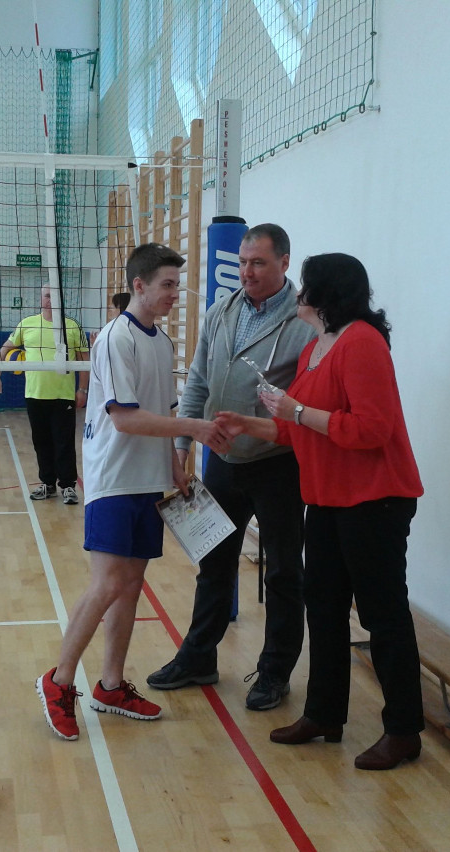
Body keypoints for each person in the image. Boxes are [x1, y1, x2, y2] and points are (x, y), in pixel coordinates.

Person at [215, 252, 425, 770]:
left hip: (375, 501)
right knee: (324, 608)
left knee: (382, 615)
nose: (299, 291)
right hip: (329, 499)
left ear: (327, 293)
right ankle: (324, 714)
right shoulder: (317, 346)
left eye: (306, 283)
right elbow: (294, 427)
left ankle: (404, 731)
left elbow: (371, 429)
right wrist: (247, 424)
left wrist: (298, 411)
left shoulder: (362, 342)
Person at [35, 243, 231, 741]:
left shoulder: (161, 343)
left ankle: (110, 685)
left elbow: (157, 410)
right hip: (114, 480)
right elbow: (124, 419)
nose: (174, 294)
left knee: (130, 585)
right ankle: (59, 681)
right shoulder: (115, 338)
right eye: (167, 285)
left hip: (149, 482)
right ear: (139, 285)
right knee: (106, 584)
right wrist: (195, 428)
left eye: (177, 285)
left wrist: (175, 463)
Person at [147, 223, 315, 711]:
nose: (247, 272)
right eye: (242, 262)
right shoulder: (221, 312)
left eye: (258, 263)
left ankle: (275, 672)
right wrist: (182, 445)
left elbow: (307, 401)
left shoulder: (305, 322)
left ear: (284, 262)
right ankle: (199, 657)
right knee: (214, 564)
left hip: (279, 464)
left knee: (283, 572)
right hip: (222, 460)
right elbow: (199, 382)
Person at [0, 285, 89, 505]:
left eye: (54, 295)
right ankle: (47, 484)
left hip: (63, 396)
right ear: (40, 298)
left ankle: (68, 486)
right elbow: (4, 350)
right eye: (46, 295)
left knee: (64, 443)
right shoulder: (27, 324)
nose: (50, 299)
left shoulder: (72, 326)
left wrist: (82, 390)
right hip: (34, 395)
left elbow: (84, 361)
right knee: (41, 442)